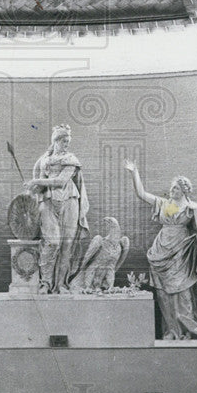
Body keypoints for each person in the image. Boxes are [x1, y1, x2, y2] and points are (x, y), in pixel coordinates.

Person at [124, 160, 197, 339]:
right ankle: (172, 330)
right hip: (160, 250)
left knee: (183, 291)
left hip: (181, 252)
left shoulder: (190, 208)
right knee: (162, 293)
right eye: (172, 188)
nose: (172, 191)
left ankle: (187, 330)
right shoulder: (164, 204)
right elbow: (141, 193)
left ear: (184, 191)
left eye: (175, 188)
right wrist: (134, 172)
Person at [25, 124, 89, 293]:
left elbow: (60, 181)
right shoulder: (43, 160)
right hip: (47, 201)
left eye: (68, 141)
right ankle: (45, 283)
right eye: (63, 141)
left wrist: (37, 182)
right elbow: (39, 183)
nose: (66, 144)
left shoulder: (71, 159)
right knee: (51, 242)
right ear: (55, 141)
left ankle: (61, 283)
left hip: (69, 200)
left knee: (67, 245)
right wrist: (32, 188)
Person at [69, 216, 131, 292]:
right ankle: (88, 287)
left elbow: (112, 269)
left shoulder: (121, 244)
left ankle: (110, 286)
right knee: (93, 268)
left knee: (110, 268)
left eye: (112, 223)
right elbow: (88, 263)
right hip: (89, 274)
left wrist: (111, 287)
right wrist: (87, 286)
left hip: (103, 276)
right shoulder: (100, 241)